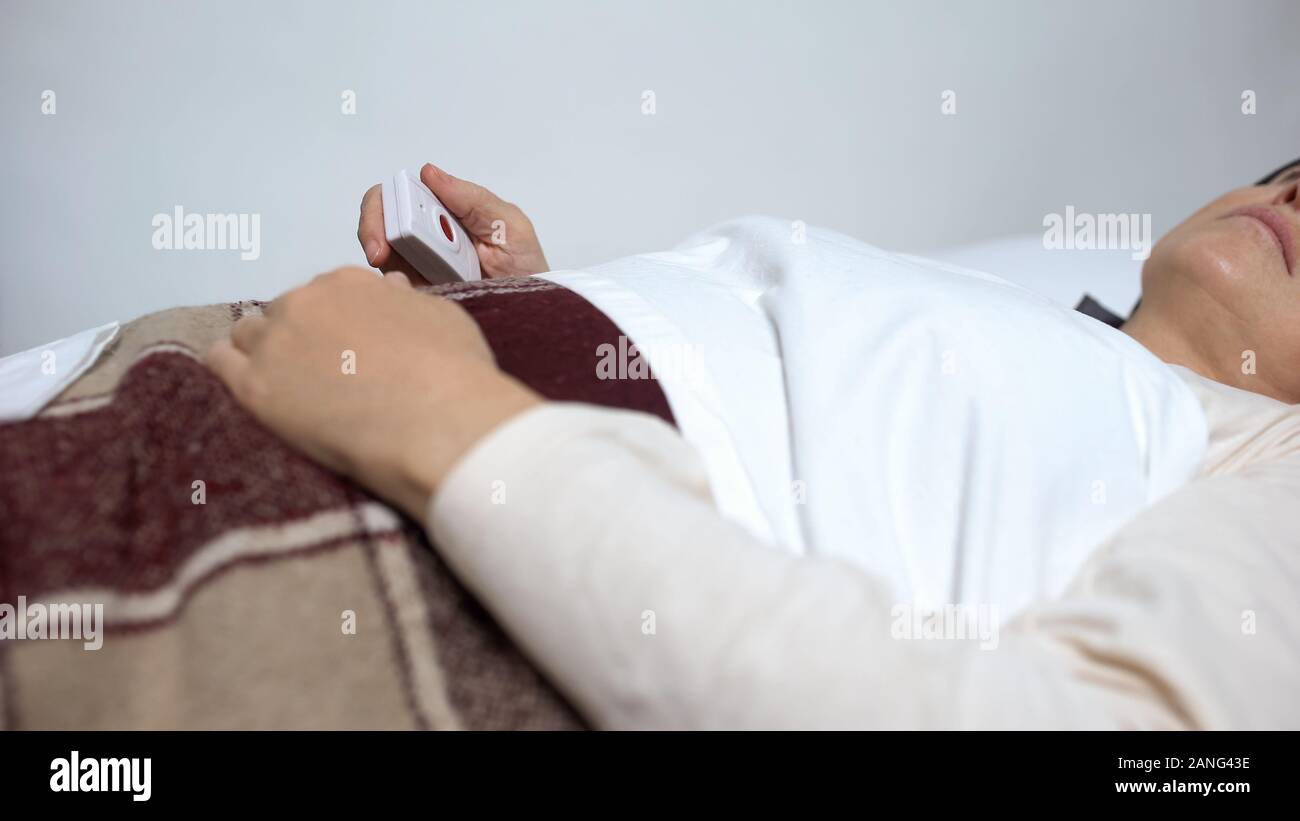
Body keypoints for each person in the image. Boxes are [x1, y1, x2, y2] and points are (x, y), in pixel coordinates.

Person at [205, 161, 1300, 728]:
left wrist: (450, 420)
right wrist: (539, 306)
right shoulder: (1038, 338)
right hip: (292, 394)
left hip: (392, 554)